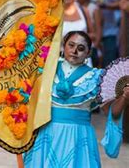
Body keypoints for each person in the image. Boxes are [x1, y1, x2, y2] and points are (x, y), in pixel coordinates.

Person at [24, 31, 127, 167]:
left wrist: (125, 97)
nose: (74, 51)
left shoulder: (97, 78)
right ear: (63, 46)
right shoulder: (47, 68)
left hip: (78, 136)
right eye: (71, 45)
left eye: (81, 48)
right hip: (46, 133)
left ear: (88, 53)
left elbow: (112, 113)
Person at [82, 0, 121, 67]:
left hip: (109, 30)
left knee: (109, 63)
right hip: (92, 32)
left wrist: (105, 6)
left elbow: (120, 2)